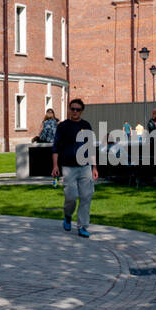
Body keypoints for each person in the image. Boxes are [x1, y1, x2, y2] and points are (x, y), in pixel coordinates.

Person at [52, 98, 98, 238]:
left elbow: (90, 148)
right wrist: (55, 166)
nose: (75, 112)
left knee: (86, 197)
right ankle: (67, 215)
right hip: (68, 167)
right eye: (72, 109)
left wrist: (94, 167)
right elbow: (56, 147)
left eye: (78, 109)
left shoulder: (86, 125)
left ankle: (82, 226)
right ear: (69, 109)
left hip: (84, 167)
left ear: (81, 111)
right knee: (70, 196)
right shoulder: (63, 126)